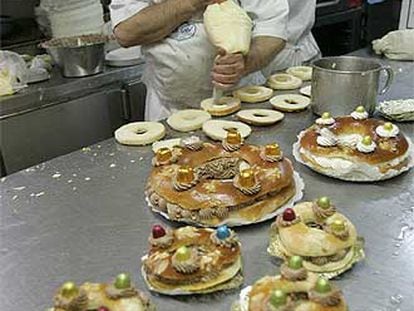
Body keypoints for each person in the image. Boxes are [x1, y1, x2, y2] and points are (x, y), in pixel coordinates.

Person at [110, 0, 320, 120]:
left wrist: (246, 62)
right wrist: (191, 2)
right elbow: (126, 33)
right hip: (169, 109)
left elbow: (273, 31)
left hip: (240, 101)